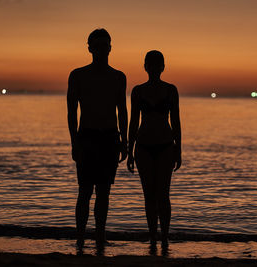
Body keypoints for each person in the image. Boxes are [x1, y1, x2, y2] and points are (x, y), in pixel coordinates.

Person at [67, 28, 127, 253]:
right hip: (87, 137)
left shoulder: (118, 76)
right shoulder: (78, 75)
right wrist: (74, 142)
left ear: (110, 48)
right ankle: (81, 238)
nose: (102, 49)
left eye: (105, 45)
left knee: (104, 191)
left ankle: (100, 236)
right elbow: (71, 111)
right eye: (98, 46)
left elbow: (122, 109)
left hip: (110, 137)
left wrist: (125, 141)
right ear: (90, 48)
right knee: (84, 190)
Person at [127, 50, 182, 253]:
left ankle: (165, 238)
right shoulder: (138, 91)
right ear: (145, 66)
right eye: (150, 63)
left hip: (166, 145)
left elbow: (176, 121)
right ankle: (152, 238)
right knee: (149, 195)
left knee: (163, 195)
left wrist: (179, 150)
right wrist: (129, 150)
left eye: (158, 63)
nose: (154, 67)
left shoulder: (171, 90)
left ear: (163, 66)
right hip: (143, 147)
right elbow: (133, 122)